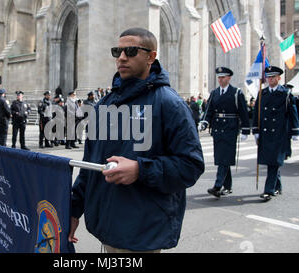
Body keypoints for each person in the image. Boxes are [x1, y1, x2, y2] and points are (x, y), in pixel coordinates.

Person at [68, 28, 204, 253]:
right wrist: (74, 209)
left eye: (130, 51)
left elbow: (191, 165)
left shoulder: (169, 104)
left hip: (142, 232)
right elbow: (90, 164)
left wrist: (140, 169)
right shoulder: (105, 105)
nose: (122, 57)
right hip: (106, 227)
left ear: (151, 57)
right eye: (117, 51)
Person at [199, 67, 250, 198]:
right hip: (217, 130)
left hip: (230, 129)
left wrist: (245, 129)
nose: (221, 80)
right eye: (219, 78)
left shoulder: (236, 93)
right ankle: (228, 186)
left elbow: (243, 112)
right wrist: (204, 122)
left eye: (223, 77)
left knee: (224, 158)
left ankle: (217, 185)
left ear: (229, 78)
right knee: (222, 158)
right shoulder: (215, 93)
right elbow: (209, 110)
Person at [252, 66, 299, 201]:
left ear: (279, 78)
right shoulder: (262, 93)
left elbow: (293, 113)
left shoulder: (285, 93)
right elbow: (257, 113)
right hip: (265, 133)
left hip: (279, 133)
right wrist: (255, 130)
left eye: (273, 77)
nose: (270, 79)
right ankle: (277, 186)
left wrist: (295, 130)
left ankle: (269, 190)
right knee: (271, 161)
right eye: (268, 77)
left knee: (274, 162)